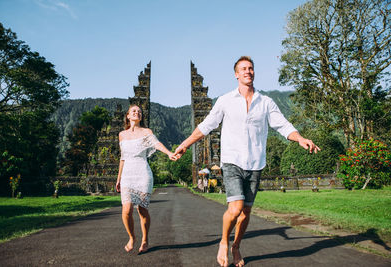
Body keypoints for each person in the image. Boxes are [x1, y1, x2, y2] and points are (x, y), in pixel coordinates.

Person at [174, 56, 320, 267]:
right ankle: (224, 242)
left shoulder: (266, 102)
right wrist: (185, 144)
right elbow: (206, 126)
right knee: (235, 208)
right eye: (243, 69)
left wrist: (301, 139)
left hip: (255, 163)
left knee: (246, 212)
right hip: (232, 161)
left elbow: (284, 126)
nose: (248, 71)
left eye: (250, 68)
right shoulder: (225, 100)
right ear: (236, 74)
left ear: (254, 72)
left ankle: (236, 246)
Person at [116, 104, 177, 254]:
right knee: (126, 210)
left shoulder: (146, 132)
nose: (137, 113)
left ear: (141, 117)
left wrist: (169, 153)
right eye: (134, 111)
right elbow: (122, 158)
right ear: (128, 116)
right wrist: (118, 179)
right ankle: (132, 237)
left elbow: (157, 144)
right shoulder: (122, 135)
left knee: (142, 210)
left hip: (142, 173)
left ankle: (145, 239)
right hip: (127, 175)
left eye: (139, 112)